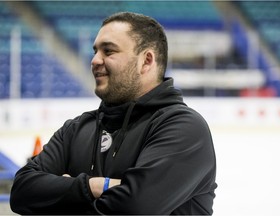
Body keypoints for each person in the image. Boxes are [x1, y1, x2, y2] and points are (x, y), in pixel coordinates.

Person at [10, 12, 217, 215]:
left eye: (108, 51)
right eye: (95, 51)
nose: (95, 61)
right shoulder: (77, 128)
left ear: (146, 61)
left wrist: (63, 193)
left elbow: (134, 208)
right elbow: (21, 192)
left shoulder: (183, 128)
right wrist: (94, 186)